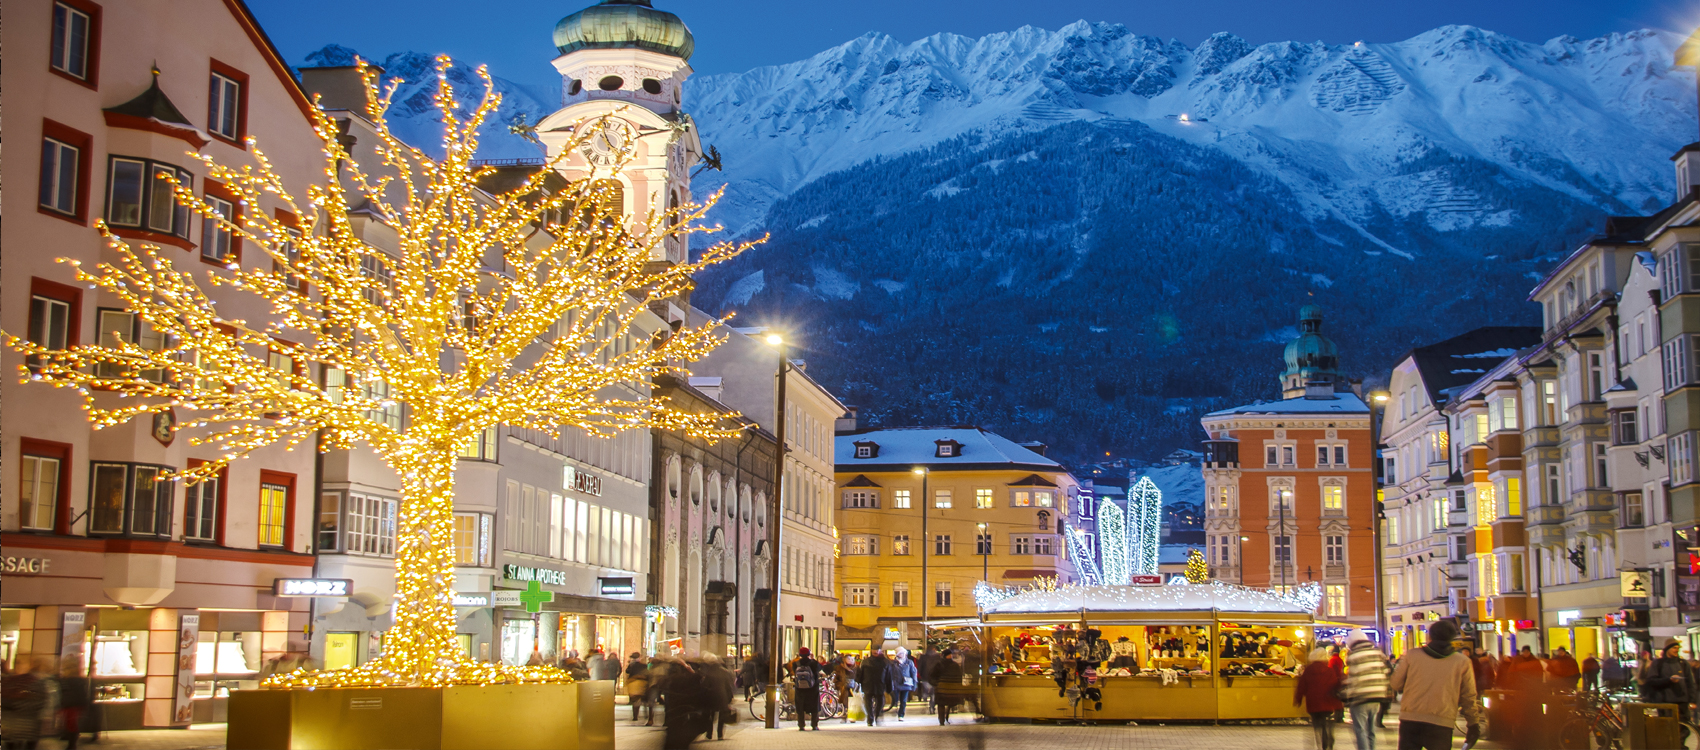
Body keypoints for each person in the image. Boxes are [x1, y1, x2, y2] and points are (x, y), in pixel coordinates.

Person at [1389, 620, 1482, 750]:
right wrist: (1473, 724)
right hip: (1442, 722)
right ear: (1452, 638)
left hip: (1411, 720)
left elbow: (1395, 683)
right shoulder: (1462, 662)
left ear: (1430, 636)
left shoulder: (1412, 655)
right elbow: (1469, 696)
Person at [1342, 632, 1392, 750]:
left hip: (1360, 697)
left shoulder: (1354, 656)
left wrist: (1344, 694)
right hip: (1377, 696)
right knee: (1371, 730)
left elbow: (1353, 678)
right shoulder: (1378, 653)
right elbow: (1386, 673)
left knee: (1360, 730)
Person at [1642, 639, 1696, 742]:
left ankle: (1679, 746)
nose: (1677, 650)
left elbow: (1690, 683)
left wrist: (1692, 700)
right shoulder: (1658, 663)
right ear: (1667, 649)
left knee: (1684, 728)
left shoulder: (1683, 664)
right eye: (1674, 648)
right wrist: (1668, 680)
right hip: (1665, 701)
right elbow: (1651, 681)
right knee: (1666, 727)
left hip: (1682, 701)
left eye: (1678, 648)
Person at [1295, 646, 1345, 750]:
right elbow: (1335, 685)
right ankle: (1327, 739)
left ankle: (1321, 743)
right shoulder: (1329, 671)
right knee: (1326, 722)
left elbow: (1302, 686)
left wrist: (1298, 699)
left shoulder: (1308, 670)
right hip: (1328, 703)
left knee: (1317, 725)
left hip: (1313, 703)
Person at [2, 656, 51, 750]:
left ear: (29, 666)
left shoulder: (36, 681)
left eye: (22, 663)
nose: (19, 666)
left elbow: (41, 700)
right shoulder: (8, 681)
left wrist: (18, 705)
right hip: (11, 724)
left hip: (29, 723)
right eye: (17, 663)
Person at [661, 657, 704, 750]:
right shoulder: (686, 680)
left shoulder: (671, 680)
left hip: (673, 715)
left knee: (672, 740)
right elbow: (699, 679)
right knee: (681, 741)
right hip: (683, 714)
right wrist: (690, 670)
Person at [56, 659, 92, 750]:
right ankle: (71, 742)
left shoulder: (67, 680)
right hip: (76, 705)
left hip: (70, 705)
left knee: (71, 725)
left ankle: (71, 744)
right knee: (72, 724)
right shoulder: (79, 680)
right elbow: (82, 694)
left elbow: (65, 693)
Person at [699, 654, 735, 742]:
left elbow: (704, 686)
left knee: (710, 716)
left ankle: (709, 734)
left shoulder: (709, 673)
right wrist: (730, 697)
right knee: (722, 716)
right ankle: (720, 735)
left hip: (711, 697)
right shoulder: (725, 671)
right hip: (723, 696)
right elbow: (729, 686)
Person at [929, 648, 966, 726]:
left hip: (942, 689)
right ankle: (943, 719)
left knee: (941, 704)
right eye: (950, 655)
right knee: (947, 703)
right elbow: (959, 676)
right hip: (950, 689)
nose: (951, 656)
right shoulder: (954, 665)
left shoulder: (939, 664)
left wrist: (936, 684)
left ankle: (942, 720)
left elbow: (932, 676)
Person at [790, 647, 824, 731]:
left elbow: (794, 672)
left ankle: (801, 725)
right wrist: (813, 659)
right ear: (809, 654)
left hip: (800, 688)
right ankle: (814, 725)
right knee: (814, 706)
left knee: (800, 706)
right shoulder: (813, 663)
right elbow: (819, 668)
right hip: (813, 688)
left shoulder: (796, 664)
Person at [858, 648, 892, 725]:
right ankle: (871, 718)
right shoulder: (866, 661)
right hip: (869, 684)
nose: (875, 652)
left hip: (878, 684)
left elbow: (888, 675)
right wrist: (859, 682)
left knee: (878, 702)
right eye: (874, 651)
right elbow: (861, 673)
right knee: (869, 702)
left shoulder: (885, 662)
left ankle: (875, 716)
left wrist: (889, 686)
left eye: (877, 651)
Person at [890, 647, 918, 720]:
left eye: (902, 653)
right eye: (899, 654)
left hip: (906, 684)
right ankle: (895, 709)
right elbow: (890, 673)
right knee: (895, 699)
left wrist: (915, 683)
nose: (901, 655)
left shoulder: (909, 662)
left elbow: (914, 672)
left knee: (903, 700)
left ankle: (901, 714)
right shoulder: (893, 663)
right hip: (895, 684)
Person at [625, 653, 652, 724]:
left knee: (635, 701)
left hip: (634, 683)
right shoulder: (644, 666)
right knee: (644, 700)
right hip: (642, 683)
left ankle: (635, 716)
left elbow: (628, 672)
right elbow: (647, 674)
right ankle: (647, 715)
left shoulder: (632, 665)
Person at [918, 645, 941, 714]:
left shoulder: (923, 657)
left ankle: (925, 696)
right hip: (935, 677)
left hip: (925, 677)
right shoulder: (938, 657)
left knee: (928, 690)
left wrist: (921, 676)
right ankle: (932, 707)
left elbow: (919, 667)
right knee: (933, 693)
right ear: (935, 650)